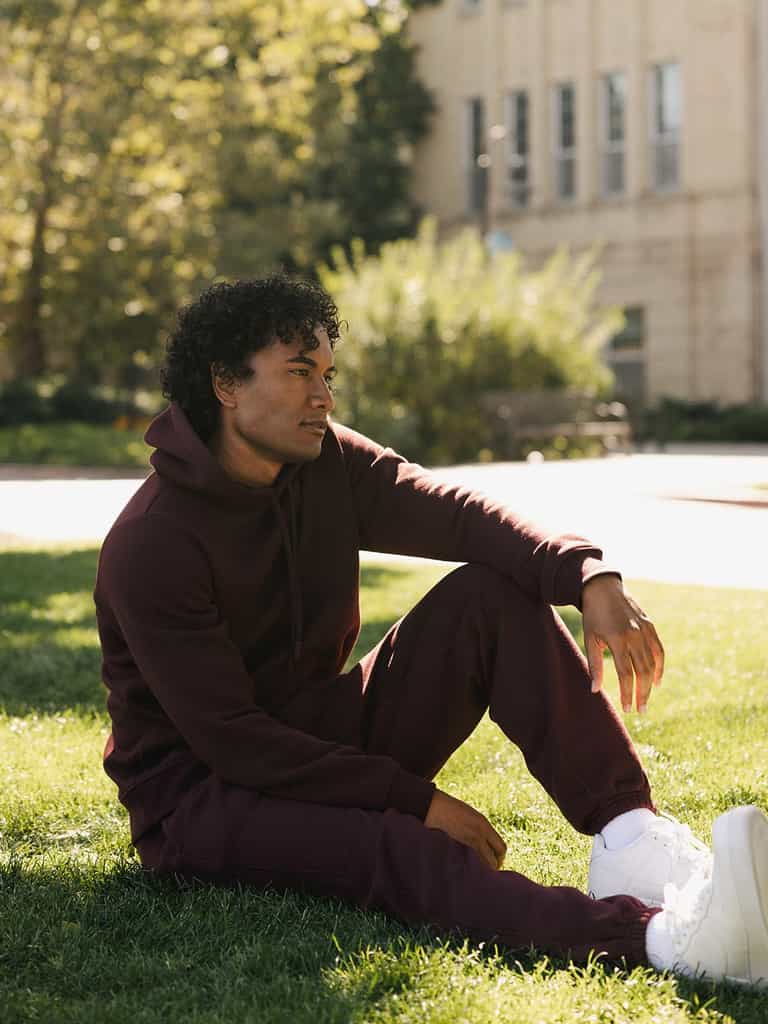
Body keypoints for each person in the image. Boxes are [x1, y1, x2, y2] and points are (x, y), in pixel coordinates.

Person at [94, 275, 768, 987]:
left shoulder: (324, 462)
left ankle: (630, 840)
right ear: (226, 384)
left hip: (320, 733)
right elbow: (235, 741)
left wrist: (587, 576)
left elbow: (457, 512)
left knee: (488, 594)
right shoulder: (153, 544)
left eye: (327, 374)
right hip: (205, 800)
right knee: (403, 847)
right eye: (299, 373)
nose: (323, 396)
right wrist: (413, 799)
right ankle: (669, 941)